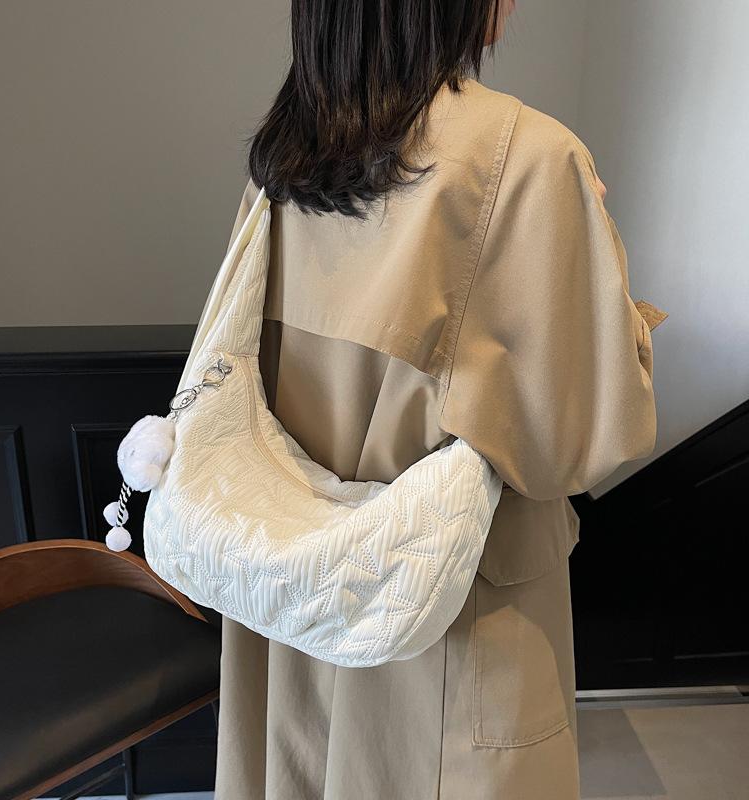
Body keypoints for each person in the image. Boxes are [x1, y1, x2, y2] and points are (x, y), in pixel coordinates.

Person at [215, 1, 657, 798]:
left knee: (302, 766)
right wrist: (612, 293)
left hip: (298, 587)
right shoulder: (530, 158)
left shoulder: (284, 157)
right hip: (449, 606)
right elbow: (576, 441)